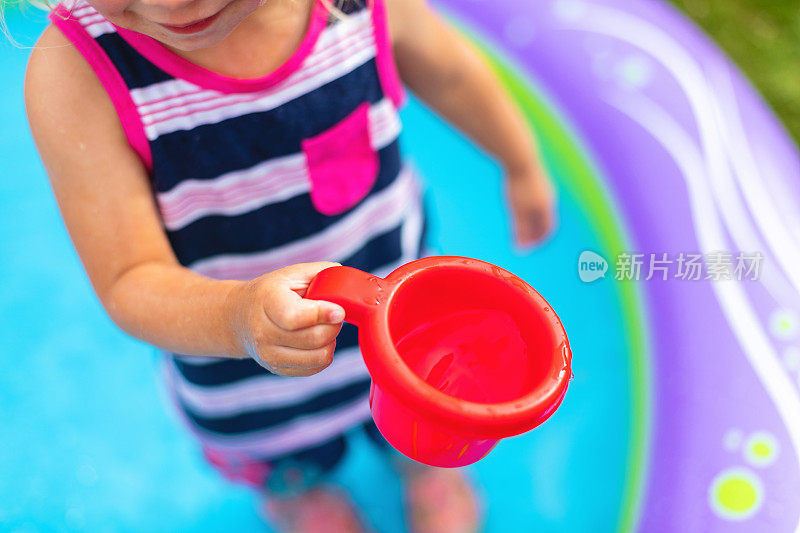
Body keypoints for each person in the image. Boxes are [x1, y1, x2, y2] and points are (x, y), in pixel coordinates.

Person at [24, 0, 555, 529]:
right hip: (241, 372)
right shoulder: (79, 75)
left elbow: (452, 75)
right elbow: (128, 280)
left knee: (413, 414)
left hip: (400, 327)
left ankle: (421, 465)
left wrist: (521, 161)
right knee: (285, 462)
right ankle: (300, 494)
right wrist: (239, 318)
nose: (170, 2)